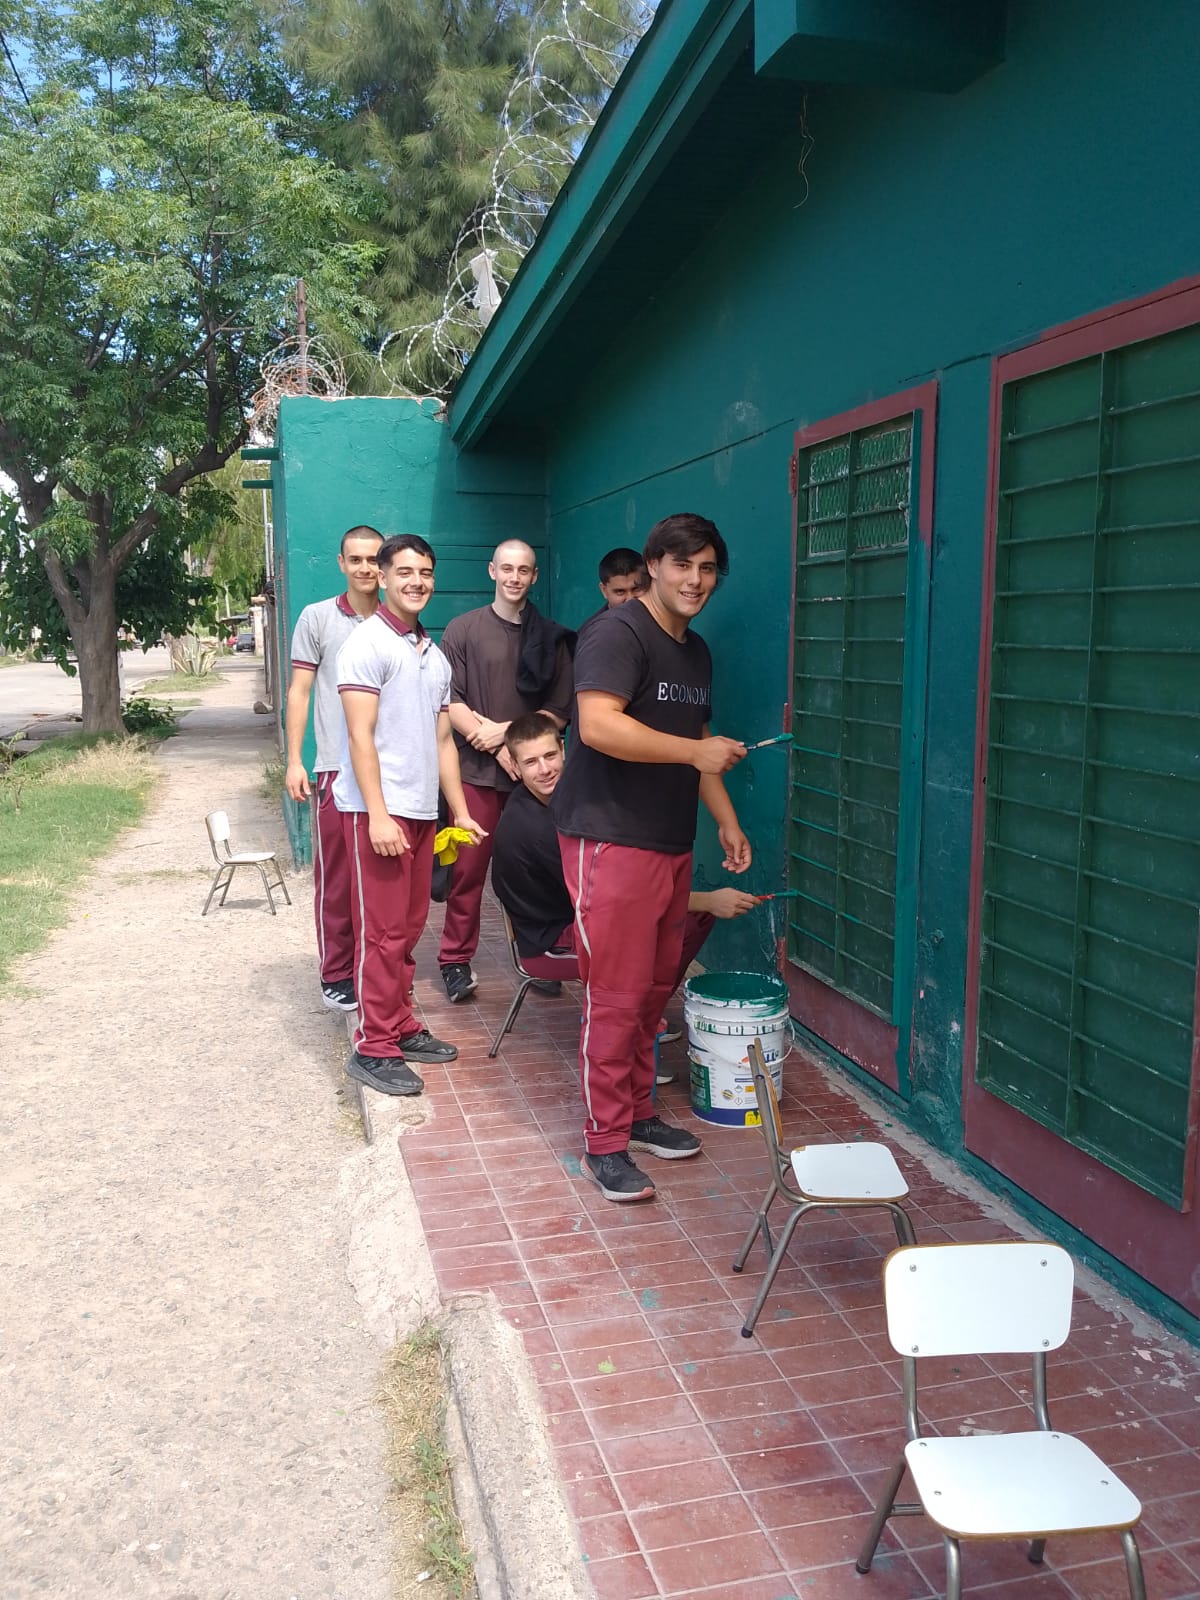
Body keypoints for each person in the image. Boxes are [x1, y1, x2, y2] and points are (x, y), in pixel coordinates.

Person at [551, 512, 751, 1202]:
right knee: (615, 995)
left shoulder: (694, 651)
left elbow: (697, 737)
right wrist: (697, 752)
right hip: (610, 837)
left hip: (668, 841)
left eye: (707, 568)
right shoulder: (616, 632)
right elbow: (599, 725)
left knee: (651, 992)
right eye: (682, 565)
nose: (696, 580)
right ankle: (603, 1143)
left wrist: (724, 820)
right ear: (655, 565)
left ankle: (637, 1115)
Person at [334, 535, 486, 1097]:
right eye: (405, 572)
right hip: (382, 811)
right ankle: (373, 1046)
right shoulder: (366, 645)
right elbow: (359, 735)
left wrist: (462, 812)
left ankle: (399, 1024)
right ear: (383, 576)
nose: (416, 582)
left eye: (425, 572)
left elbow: (445, 739)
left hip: (423, 813)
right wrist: (377, 815)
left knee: (410, 927)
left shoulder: (433, 654)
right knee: (382, 932)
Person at [491, 709, 757, 995]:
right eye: (531, 762)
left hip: (582, 916)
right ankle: (634, 1010)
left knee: (690, 915)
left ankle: (644, 1008)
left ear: (564, 749)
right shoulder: (532, 828)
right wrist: (710, 900)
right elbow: (614, 901)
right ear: (515, 767)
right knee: (672, 924)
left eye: (549, 756)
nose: (544, 769)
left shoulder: (565, 796)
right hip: (551, 944)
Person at [437, 539, 574, 1004]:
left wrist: (509, 737)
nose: (515, 577)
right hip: (476, 772)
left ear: (535, 577)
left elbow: (558, 712)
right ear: (492, 571)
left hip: (533, 779)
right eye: (507, 568)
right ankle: (455, 960)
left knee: (538, 871)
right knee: (469, 871)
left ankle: (542, 954)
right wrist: (488, 740)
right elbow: (448, 700)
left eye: (525, 570)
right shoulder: (463, 630)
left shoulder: (551, 637)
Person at [285, 525, 383, 1013]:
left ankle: (376, 972)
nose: (366, 568)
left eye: (373, 559)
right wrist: (294, 761)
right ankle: (337, 973)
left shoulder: (398, 621)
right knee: (339, 879)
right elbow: (299, 691)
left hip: (388, 774)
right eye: (356, 559)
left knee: (383, 883)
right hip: (335, 772)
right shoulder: (318, 618)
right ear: (342, 563)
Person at [575, 547, 647, 647]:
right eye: (620, 592)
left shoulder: (667, 620)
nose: (630, 599)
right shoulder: (591, 635)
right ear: (604, 590)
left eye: (636, 589)